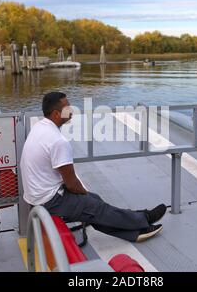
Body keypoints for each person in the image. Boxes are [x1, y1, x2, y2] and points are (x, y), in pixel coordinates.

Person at [21, 92, 166, 242]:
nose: (71, 110)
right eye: (67, 108)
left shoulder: (39, 127)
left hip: (37, 197)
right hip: (49, 202)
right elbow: (72, 184)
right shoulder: (58, 141)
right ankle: (144, 218)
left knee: (94, 202)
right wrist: (84, 194)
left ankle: (135, 232)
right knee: (94, 206)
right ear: (56, 114)